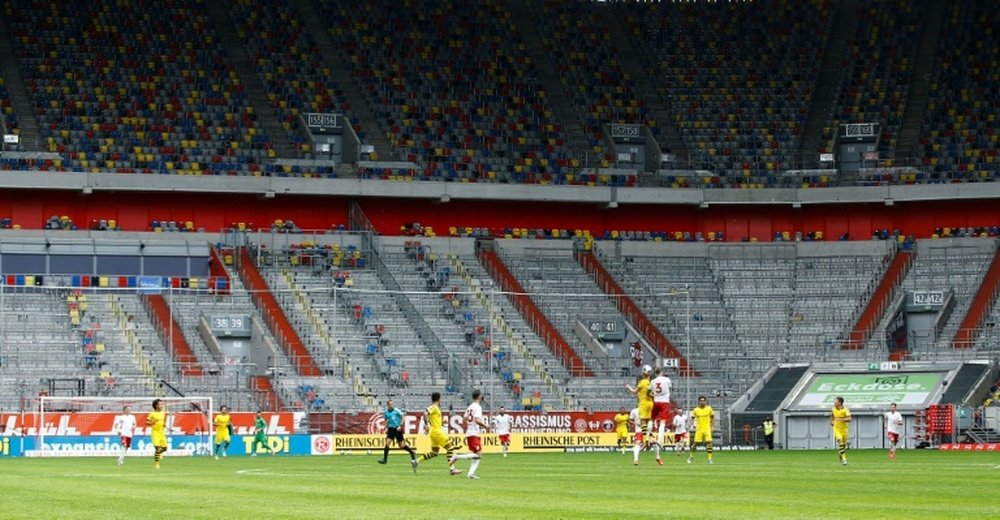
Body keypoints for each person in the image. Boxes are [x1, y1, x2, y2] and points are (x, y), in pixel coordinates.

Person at [414, 392, 459, 475]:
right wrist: (426, 425)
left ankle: (416, 461)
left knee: (434, 452)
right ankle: (452, 469)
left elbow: (434, 421)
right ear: (439, 399)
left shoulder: (436, 408)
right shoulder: (434, 407)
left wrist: (442, 422)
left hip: (434, 432)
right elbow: (425, 414)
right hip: (436, 432)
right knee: (450, 448)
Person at [450, 389, 489, 479]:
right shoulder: (478, 407)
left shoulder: (470, 407)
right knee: (478, 454)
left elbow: (464, 419)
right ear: (479, 396)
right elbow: (477, 420)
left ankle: (470, 474)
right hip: (473, 434)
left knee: (477, 455)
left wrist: (471, 424)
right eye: (481, 395)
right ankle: (456, 457)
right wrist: (485, 425)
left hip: (471, 433)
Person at [377, 399, 417, 468]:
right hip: (391, 429)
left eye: (392, 404)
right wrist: (386, 428)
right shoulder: (386, 413)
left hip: (397, 429)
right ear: (388, 405)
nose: (391, 405)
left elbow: (403, 417)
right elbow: (386, 421)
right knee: (387, 443)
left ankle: (411, 452)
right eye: (390, 404)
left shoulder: (396, 410)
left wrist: (400, 425)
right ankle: (385, 460)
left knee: (401, 446)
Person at [625, 365, 653, 450]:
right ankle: (648, 440)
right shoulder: (651, 382)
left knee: (643, 422)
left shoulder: (642, 382)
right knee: (649, 423)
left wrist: (628, 387)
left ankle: (645, 441)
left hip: (643, 403)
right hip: (651, 403)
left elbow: (634, 391)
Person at [649, 367, 673, 466]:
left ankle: (648, 435)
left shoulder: (653, 381)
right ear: (662, 372)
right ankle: (660, 440)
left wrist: (654, 396)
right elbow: (670, 388)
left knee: (651, 419)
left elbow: (650, 392)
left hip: (656, 402)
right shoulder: (667, 379)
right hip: (664, 402)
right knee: (663, 422)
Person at [688, 396, 714, 464]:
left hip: (707, 428)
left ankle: (709, 458)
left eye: (703, 401)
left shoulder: (709, 409)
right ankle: (691, 456)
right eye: (701, 401)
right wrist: (691, 425)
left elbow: (713, 418)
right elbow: (692, 418)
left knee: (709, 443)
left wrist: (713, 426)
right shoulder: (696, 410)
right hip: (699, 429)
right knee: (696, 443)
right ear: (699, 401)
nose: (702, 402)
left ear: (705, 401)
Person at [830, 396, 851, 466]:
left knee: (843, 446)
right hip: (837, 429)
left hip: (844, 429)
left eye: (836, 402)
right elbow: (832, 415)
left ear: (840, 403)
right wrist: (832, 421)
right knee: (840, 441)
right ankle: (844, 459)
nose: (834, 403)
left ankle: (840, 454)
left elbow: (850, 419)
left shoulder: (845, 410)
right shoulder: (833, 409)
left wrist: (841, 419)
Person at [146, 399, 167, 469]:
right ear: (156, 405)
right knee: (158, 448)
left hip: (162, 432)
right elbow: (147, 422)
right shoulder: (152, 413)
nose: (160, 406)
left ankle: (157, 454)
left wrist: (164, 425)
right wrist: (152, 422)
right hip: (155, 432)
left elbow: (164, 422)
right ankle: (157, 464)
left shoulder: (163, 413)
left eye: (161, 404)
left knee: (165, 448)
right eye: (159, 404)